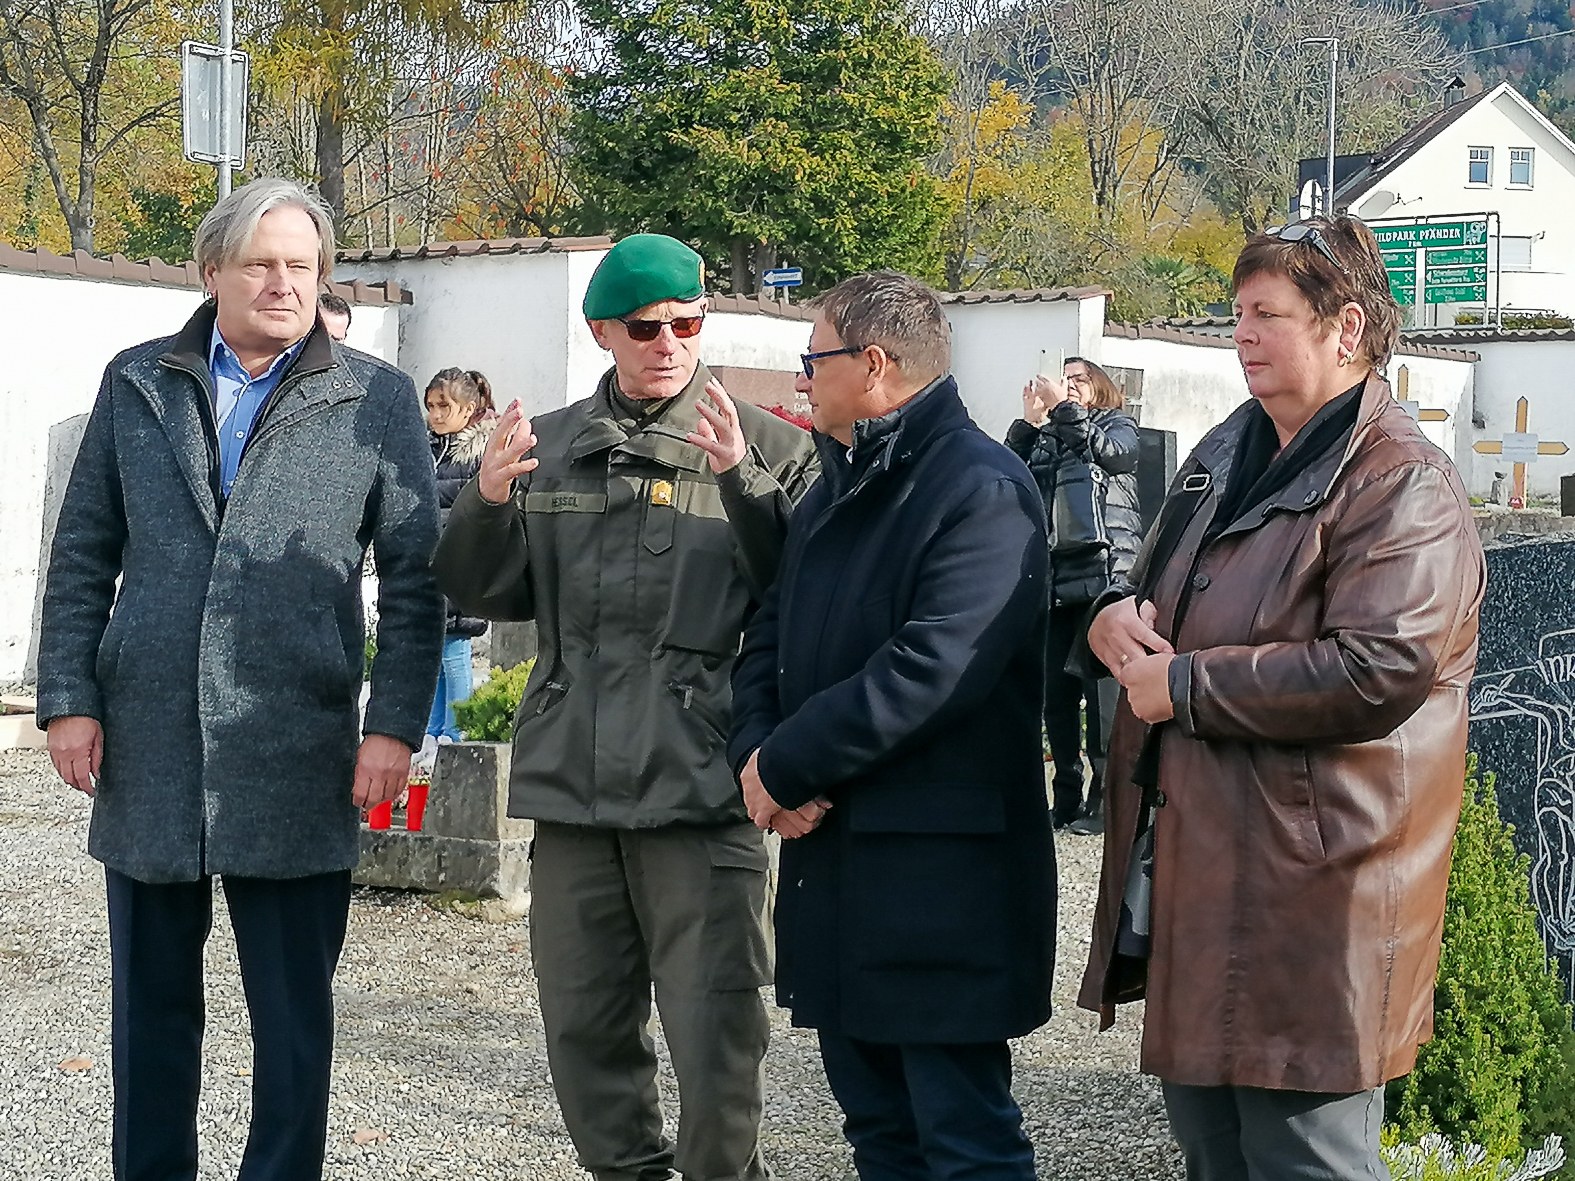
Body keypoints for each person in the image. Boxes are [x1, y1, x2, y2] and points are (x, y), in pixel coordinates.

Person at [35, 178, 443, 1180]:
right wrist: (69, 699)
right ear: (212, 270)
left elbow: (417, 575)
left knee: (292, 1019)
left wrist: (392, 725)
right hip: (152, 740)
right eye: (261, 263)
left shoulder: (375, 399)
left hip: (297, 742)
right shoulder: (138, 381)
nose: (283, 283)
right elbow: (82, 551)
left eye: (302, 265)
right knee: (150, 1011)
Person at [1079, 215, 1485, 1181]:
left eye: (1266, 314)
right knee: (1212, 1152)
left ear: (1346, 329)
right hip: (1202, 871)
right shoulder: (1228, 451)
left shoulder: (1400, 481)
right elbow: (1151, 584)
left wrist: (1184, 685)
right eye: (1236, 313)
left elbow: (1378, 667)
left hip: (1318, 892)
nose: (1242, 334)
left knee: (1307, 1159)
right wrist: (1107, 617)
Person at [434, 233, 818, 1181]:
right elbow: (484, 591)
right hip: (574, 788)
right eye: (646, 328)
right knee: (582, 1029)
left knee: (718, 1036)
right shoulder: (549, 446)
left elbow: (808, 599)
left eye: (687, 323)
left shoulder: (772, 447)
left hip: (701, 785)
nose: (669, 343)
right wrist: (485, 500)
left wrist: (743, 484)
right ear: (602, 331)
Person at [728, 270, 1056, 1178]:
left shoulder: (980, 487)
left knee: (963, 1139)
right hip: (840, 870)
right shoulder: (834, 485)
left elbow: (932, 668)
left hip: (938, 884)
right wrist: (755, 752)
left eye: (813, 358)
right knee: (879, 1131)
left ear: (872, 364)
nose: (800, 377)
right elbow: (769, 632)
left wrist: (787, 764)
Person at [1006, 355, 1140, 834]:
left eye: (1078, 379)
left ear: (1098, 384)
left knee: (1101, 698)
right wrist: (1028, 424)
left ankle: (1104, 802)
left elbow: (1112, 455)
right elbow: (1010, 477)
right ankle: (1064, 799)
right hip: (1055, 578)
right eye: (1064, 380)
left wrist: (1066, 409)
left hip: (1104, 575)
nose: (1069, 386)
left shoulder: (1116, 425)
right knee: (1056, 699)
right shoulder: (1049, 436)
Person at [420, 367, 496, 757]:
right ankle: (432, 731)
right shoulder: (426, 450)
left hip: (461, 565)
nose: (435, 414)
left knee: (454, 650)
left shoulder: (478, 456)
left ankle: (457, 730)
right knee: (433, 652)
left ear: (468, 409)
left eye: (444, 406)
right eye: (431, 406)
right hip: (427, 564)